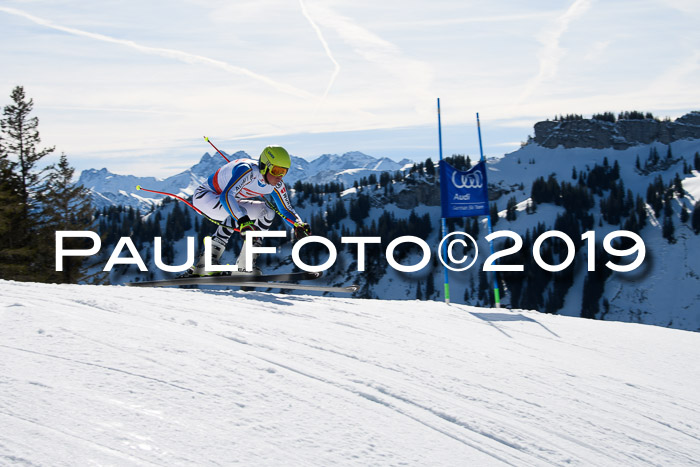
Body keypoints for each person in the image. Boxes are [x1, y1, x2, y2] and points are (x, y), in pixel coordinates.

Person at [180, 145, 311, 277]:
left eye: (284, 172)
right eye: (276, 171)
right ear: (265, 166)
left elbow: (285, 209)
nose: (280, 177)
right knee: (239, 211)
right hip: (205, 198)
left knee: (268, 211)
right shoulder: (247, 170)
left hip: (228, 201)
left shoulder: (276, 185)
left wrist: (297, 224)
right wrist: (243, 221)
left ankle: (245, 264)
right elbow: (226, 196)